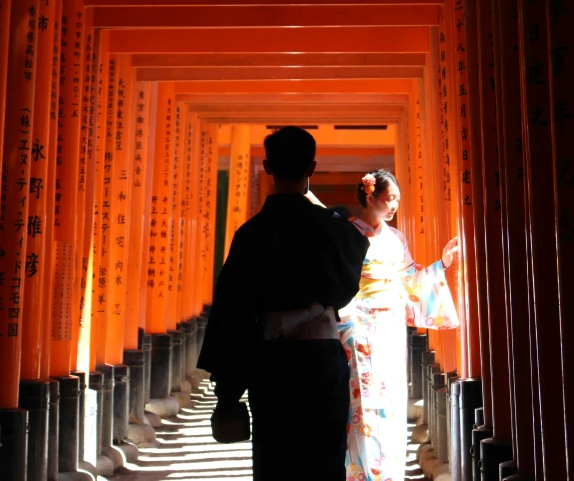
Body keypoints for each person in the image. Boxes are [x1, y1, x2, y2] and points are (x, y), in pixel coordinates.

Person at [197, 126, 370, 481]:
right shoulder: (332, 226)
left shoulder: (251, 234)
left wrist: (227, 394)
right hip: (322, 358)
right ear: (312, 167)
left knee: (276, 461)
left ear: (267, 166)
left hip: (272, 363)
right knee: (325, 460)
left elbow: (234, 313)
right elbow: (347, 281)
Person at [336, 169, 460, 481]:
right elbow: (338, 284)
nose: (394, 206)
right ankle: (361, 472)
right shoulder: (349, 234)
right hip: (359, 327)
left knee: (391, 402)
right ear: (370, 196)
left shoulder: (396, 238)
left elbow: (410, 280)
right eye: (389, 198)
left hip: (390, 328)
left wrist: (441, 263)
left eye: (397, 200)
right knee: (362, 401)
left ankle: (388, 472)